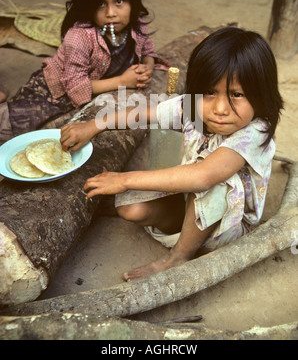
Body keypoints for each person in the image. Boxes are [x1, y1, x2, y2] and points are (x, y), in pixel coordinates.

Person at [60, 27, 284, 281]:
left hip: (229, 225)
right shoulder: (195, 107)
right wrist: (94, 125)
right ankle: (188, 231)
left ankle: (178, 257)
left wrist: (123, 180)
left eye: (237, 94)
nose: (220, 109)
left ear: (261, 94)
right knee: (131, 210)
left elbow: (204, 176)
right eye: (210, 92)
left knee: (216, 182)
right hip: (191, 200)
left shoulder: (255, 131)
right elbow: (145, 114)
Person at [0, 0, 168, 142]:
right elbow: (76, 87)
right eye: (101, 4)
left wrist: (147, 68)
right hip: (49, 94)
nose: (111, 12)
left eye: (119, 1)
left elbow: (148, 51)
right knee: (10, 130)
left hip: (92, 94)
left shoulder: (137, 24)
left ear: (133, 2)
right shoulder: (79, 37)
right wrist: (122, 81)